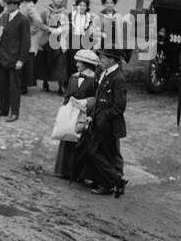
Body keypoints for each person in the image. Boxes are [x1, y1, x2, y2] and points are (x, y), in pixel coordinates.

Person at [85, 48, 129, 195]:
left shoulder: (118, 78)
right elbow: (99, 98)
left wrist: (104, 117)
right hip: (99, 122)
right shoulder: (106, 73)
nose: (100, 61)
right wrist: (93, 115)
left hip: (109, 125)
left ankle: (114, 180)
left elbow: (119, 107)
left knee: (98, 152)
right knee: (101, 153)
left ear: (111, 60)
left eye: (103, 58)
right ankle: (111, 181)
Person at [54, 49, 99, 181]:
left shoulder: (94, 80)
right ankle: (64, 170)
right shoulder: (73, 77)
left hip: (84, 115)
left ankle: (79, 174)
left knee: (82, 143)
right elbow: (68, 95)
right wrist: (64, 109)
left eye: (79, 62)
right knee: (67, 139)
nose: (77, 64)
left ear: (86, 63)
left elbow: (95, 98)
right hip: (71, 114)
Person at [0, 0, 29, 122]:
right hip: (3, 56)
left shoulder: (23, 20)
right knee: (2, 85)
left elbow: (25, 41)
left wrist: (21, 60)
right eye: (7, 3)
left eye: (10, 4)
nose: (7, 6)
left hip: (14, 58)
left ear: (16, 5)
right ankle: (3, 108)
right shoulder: (5, 17)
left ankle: (14, 112)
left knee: (14, 87)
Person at [37, 0, 68, 91]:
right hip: (47, 39)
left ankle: (60, 85)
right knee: (46, 61)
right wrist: (49, 29)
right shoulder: (45, 11)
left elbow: (67, 25)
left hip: (59, 40)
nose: (59, 0)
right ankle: (45, 82)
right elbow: (40, 24)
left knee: (60, 61)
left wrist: (61, 29)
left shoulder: (64, 11)